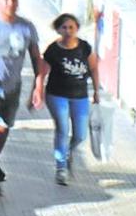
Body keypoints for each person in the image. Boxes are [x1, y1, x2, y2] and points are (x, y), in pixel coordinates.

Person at [0, 0, 46, 198]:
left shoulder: (26, 27)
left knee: (4, 126)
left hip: (13, 86)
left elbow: (37, 58)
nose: (11, 3)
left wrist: (38, 87)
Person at [37, 12, 101, 185]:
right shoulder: (53, 50)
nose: (68, 31)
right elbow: (42, 73)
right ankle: (61, 167)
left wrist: (96, 90)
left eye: (71, 27)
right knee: (62, 130)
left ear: (77, 29)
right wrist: (38, 91)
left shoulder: (84, 48)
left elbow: (94, 68)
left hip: (80, 96)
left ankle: (68, 152)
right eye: (64, 27)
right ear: (58, 30)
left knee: (80, 134)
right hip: (57, 95)